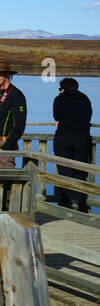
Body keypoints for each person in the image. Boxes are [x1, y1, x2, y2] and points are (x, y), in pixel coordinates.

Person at [53, 77, 93, 211]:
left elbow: (56, 116)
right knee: (80, 171)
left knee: (65, 170)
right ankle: (77, 200)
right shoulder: (85, 99)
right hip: (82, 139)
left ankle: (68, 201)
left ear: (63, 88)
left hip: (63, 139)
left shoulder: (59, 99)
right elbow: (88, 115)